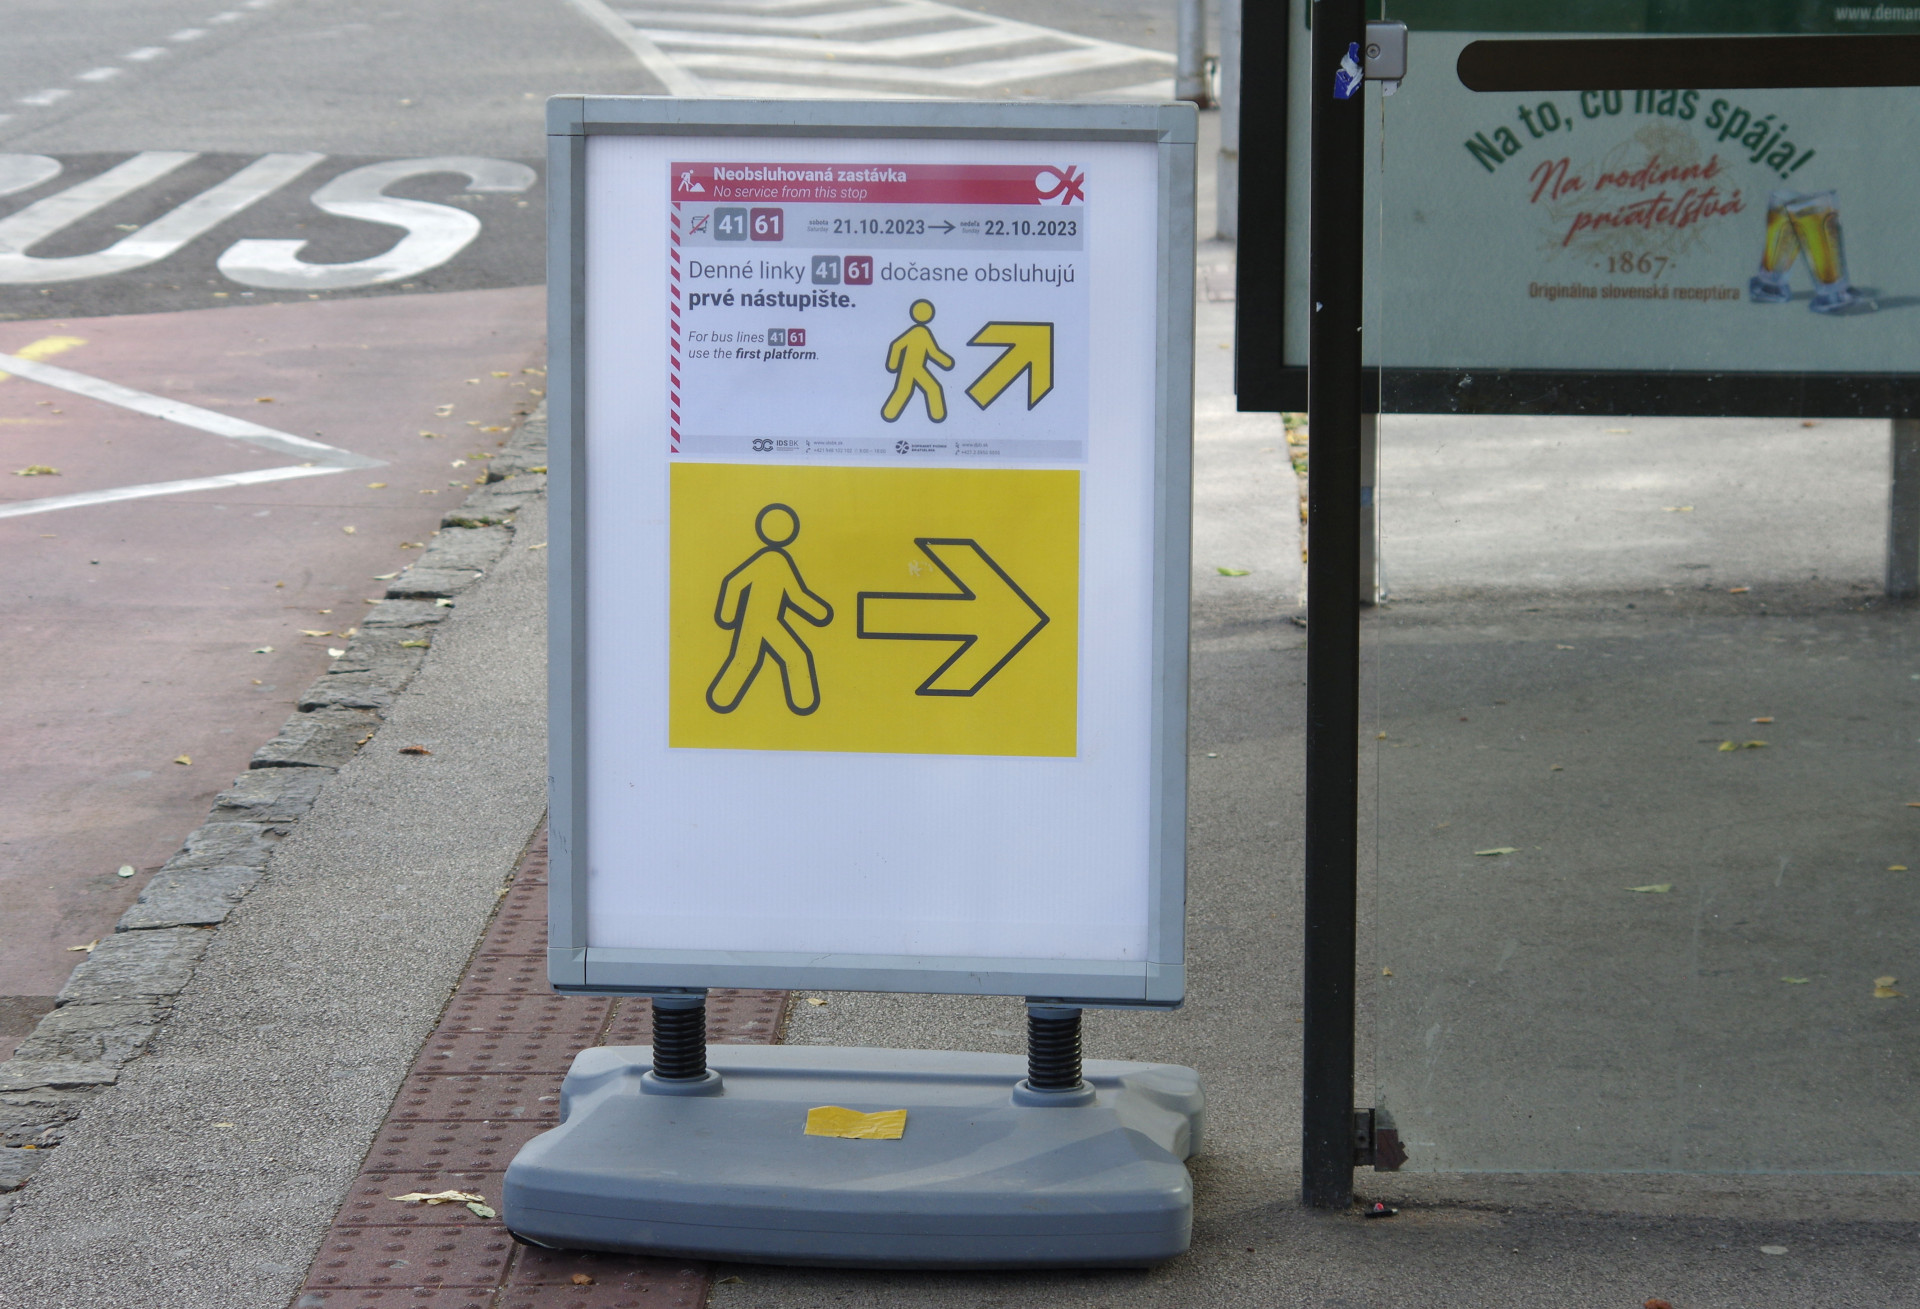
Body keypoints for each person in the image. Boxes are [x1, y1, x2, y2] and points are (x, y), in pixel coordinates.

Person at [706, 503, 834, 716]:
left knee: (750, 660)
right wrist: (726, 615)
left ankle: (722, 700)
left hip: (763, 622)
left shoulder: (774, 560)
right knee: (790, 657)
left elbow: (793, 595)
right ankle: (803, 704)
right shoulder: (771, 560)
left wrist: (819, 612)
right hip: (760, 623)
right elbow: (735, 583)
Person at [881, 298, 953, 422]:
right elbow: (897, 346)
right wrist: (893, 365)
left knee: (907, 391)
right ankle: (937, 416)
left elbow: (931, 352)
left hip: (914, 368)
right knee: (930, 389)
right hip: (912, 368)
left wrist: (946, 362)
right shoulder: (919, 332)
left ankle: (889, 414)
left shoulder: (921, 332)